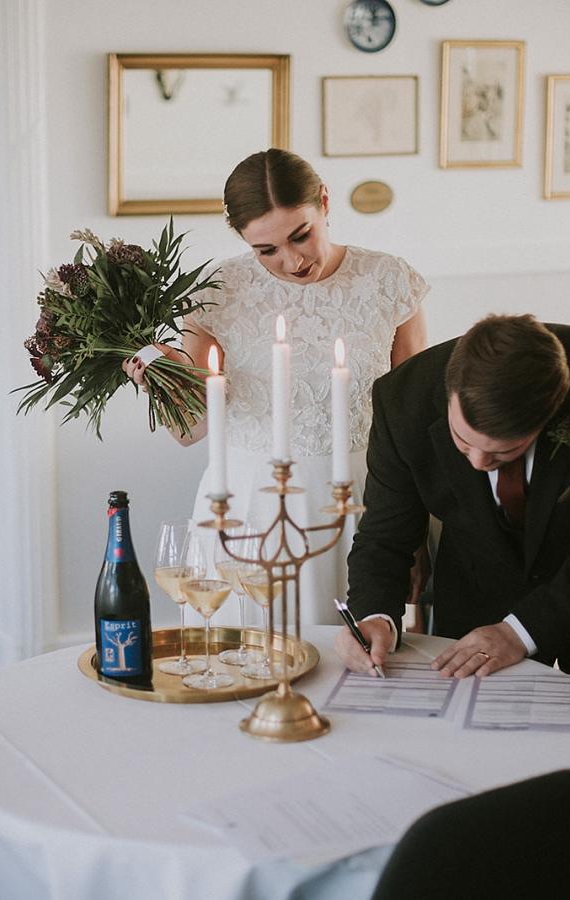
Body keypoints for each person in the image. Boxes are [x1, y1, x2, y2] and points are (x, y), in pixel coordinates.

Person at [124, 148, 429, 625]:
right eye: (266, 249)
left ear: (324, 203)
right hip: (247, 509)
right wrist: (162, 381)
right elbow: (191, 430)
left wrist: (414, 535)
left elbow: (417, 421)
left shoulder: (387, 280)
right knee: (241, 666)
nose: (290, 261)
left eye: (300, 235)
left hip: (360, 508)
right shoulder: (216, 291)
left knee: (352, 668)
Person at [336, 314, 570, 676]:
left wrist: (519, 632)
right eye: (463, 442)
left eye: (502, 453)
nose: (477, 462)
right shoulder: (402, 400)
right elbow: (384, 536)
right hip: (481, 573)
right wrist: (374, 617)